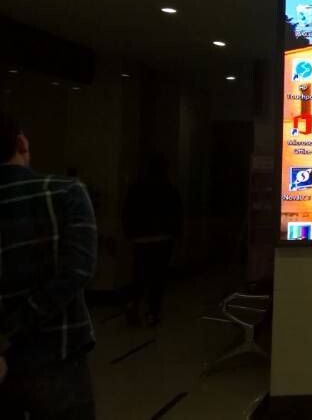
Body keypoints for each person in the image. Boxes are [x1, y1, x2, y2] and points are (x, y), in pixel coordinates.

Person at [0, 112, 98, 419]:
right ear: (21, 142)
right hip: (58, 354)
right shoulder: (65, 192)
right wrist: (16, 325)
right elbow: (77, 271)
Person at [122, 154, 182, 327]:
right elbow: (176, 214)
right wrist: (175, 234)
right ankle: (152, 313)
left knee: (139, 274)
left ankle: (133, 303)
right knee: (157, 277)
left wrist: (130, 233)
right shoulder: (169, 190)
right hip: (163, 239)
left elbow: (127, 211)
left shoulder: (136, 188)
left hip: (140, 238)